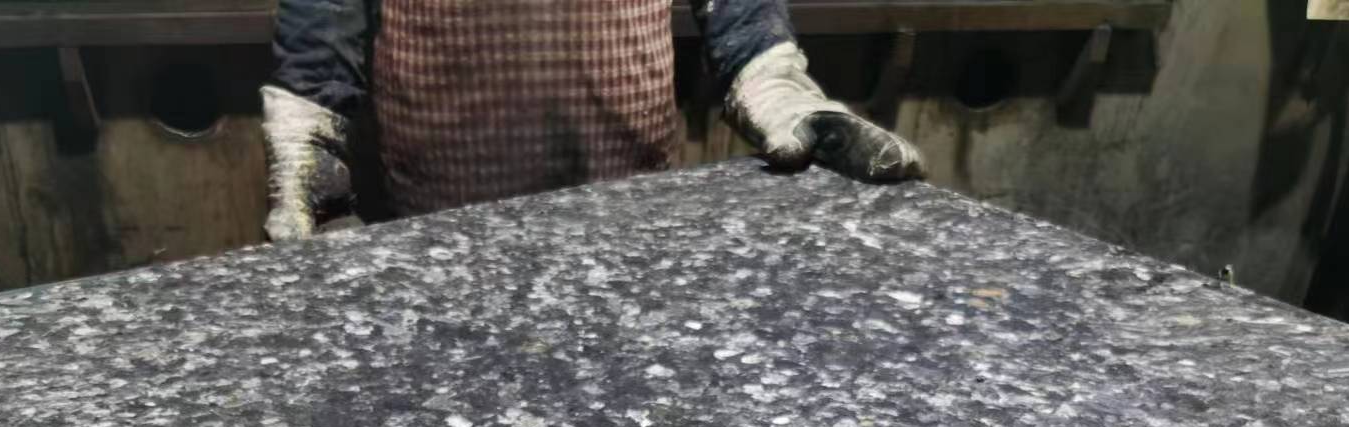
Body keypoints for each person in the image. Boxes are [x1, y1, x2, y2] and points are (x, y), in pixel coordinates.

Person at [260, 0, 924, 240]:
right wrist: (309, 125)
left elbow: (739, 9)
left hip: (624, 184)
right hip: (444, 188)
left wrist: (775, 83)